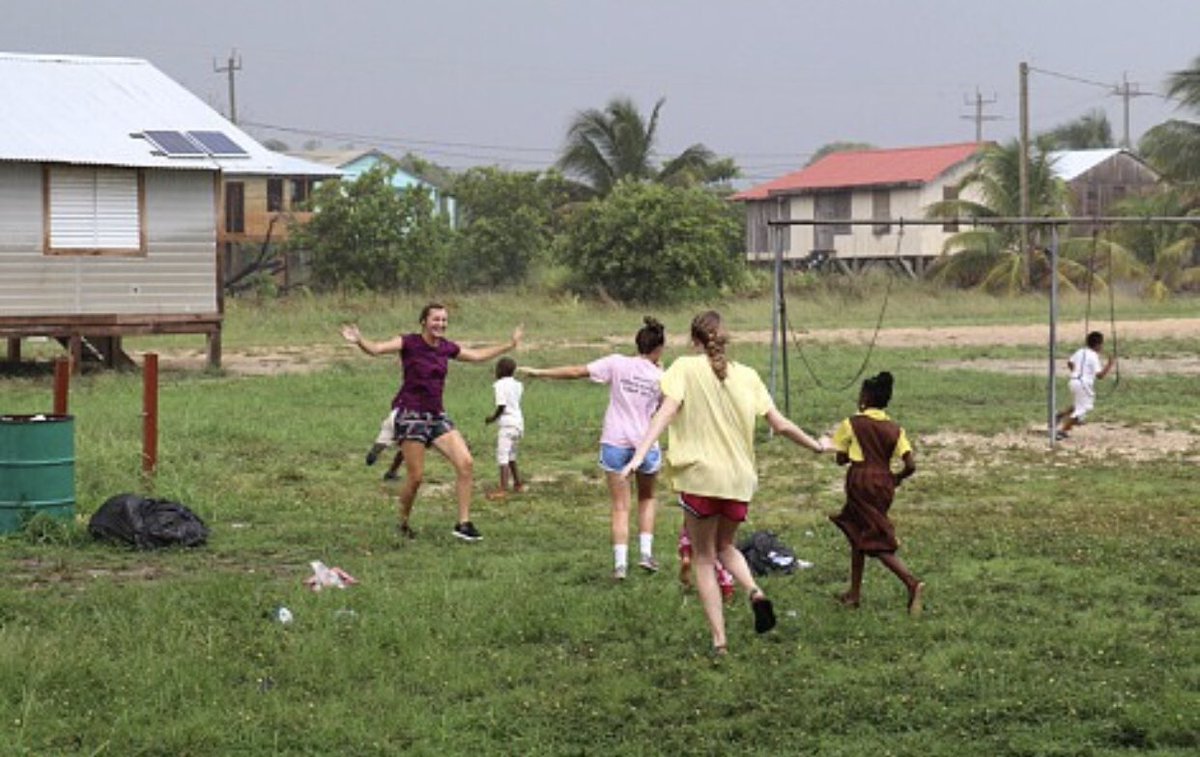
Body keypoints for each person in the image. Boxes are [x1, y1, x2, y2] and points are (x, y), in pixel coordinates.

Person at [621, 310, 827, 654]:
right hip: (739, 481)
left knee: (703, 557)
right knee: (726, 547)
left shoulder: (684, 368)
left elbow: (666, 412)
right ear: (724, 338)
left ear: (694, 340)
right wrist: (817, 446)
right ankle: (754, 591)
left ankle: (719, 640)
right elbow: (781, 425)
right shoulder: (748, 376)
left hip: (700, 478)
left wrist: (640, 453)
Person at [341, 303, 522, 542]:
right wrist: (360, 340)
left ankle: (463, 524)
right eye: (436, 319)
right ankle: (402, 522)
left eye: (444, 320)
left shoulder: (446, 347)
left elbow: (477, 356)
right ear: (424, 321)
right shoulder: (409, 342)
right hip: (410, 415)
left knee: (465, 463)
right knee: (416, 478)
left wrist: (509, 344)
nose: (441, 324)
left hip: (436, 415)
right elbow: (376, 349)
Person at [519, 316, 666, 580]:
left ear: (637, 344)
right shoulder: (662, 376)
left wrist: (541, 372)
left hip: (614, 443)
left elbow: (576, 371)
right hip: (646, 444)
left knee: (620, 506)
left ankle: (620, 565)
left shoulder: (617, 363)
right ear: (659, 349)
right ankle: (645, 554)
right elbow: (662, 410)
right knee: (647, 497)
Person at [828, 371, 923, 615]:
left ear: (865, 398)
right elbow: (911, 465)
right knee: (857, 532)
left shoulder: (852, 423)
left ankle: (911, 583)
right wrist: (895, 479)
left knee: (874, 539)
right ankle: (854, 594)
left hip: (860, 481)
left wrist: (849, 453)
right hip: (884, 484)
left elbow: (840, 458)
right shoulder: (895, 429)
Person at [1055, 330, 1116, 440]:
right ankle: (1062, 431)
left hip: (1073, 381)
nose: (1102, 347)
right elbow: (1100, 376)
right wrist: (1110, 364)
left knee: (1078, 404)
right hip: (1083, 384)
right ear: (1097, 345)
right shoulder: (1093, 356)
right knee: (1082, 411)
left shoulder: (1080, 351)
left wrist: (1076, 373)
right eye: (1102, 344)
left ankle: (1060, 415)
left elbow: (1069, 362)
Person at [484, 356, 524, 500]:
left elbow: (502, 405)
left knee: (502, 456)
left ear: (499, 370)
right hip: (518, 423)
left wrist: (493, 418)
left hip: (507, 424)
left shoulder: (499, 385)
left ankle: (503, 489)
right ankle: (518, 484)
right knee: (512, 456)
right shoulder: (518, 385)